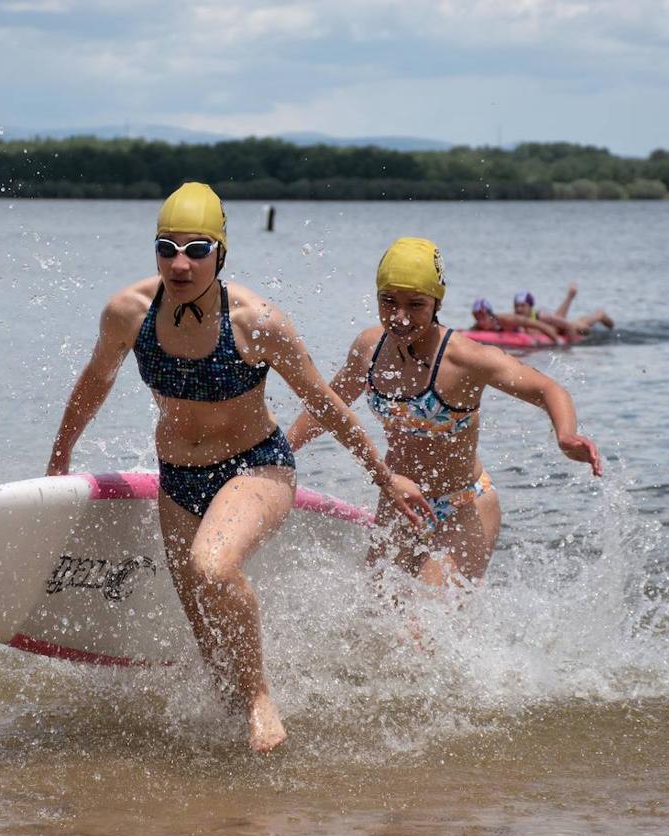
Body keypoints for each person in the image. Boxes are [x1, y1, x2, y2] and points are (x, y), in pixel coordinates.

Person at [46, 183, 431, 753]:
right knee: (207, 635)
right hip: (177, 480)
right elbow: (94, 383)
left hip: (256, 467)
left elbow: (324, 401)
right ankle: (236, 770)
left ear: (219, 254)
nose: (180, 263)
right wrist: (60, 459)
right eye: (167, 247)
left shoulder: (257, 321)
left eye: (196, 248)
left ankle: (261, 699)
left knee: (212, 567)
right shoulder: (128, 313)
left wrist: (382, 474)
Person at [288, 237, 603, 591]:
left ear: (437, 302)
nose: (400, 316)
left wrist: (565, 435)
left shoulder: (466, 359)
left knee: (420, 630)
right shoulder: (369, 349)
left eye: (415, 304)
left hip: (464, 505)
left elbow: (548, 389)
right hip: (400, 502)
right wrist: (281, 451)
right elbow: (328, 407)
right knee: (375, 622)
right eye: (388, 301)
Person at [513, 284, 614, 336]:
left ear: (530, 306)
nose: (519, 309)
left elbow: (564, 323)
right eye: (516, 306)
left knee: (584, 326)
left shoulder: (541, 316)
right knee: (582, 320)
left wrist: (570, 344)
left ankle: (600, 315)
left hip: (569, 328)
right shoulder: (515, 319)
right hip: (561, 326)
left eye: (523, 306)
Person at [470, 297, 563, 341]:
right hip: (529, 330)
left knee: (561, 326)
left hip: (543, 330)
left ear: (490, 315)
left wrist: (558, 342)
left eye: (482, 316)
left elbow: (539, 325)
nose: (479, 321)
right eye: (476, 317)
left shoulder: (506, 320)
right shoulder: (478, 325)